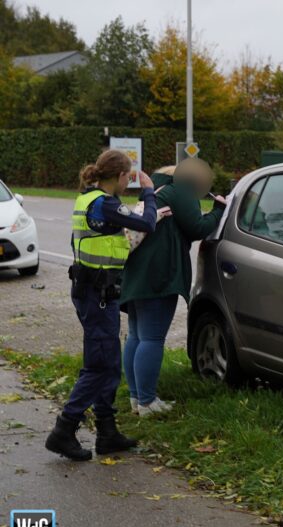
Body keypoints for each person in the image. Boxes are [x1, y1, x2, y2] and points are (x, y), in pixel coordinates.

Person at [45, 149, 162, 461]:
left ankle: (107, 432)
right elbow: (147, 224)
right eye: (128, 177)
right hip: (95, 294)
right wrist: (149, 193)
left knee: (108, 364)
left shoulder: (87, 198)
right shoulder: (104, 204)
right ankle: (63, 429)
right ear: (121, 176)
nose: (129, 182)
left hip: (95, 291)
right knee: (99, 366)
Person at [120, 158, 227, 416]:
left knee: (136, 335)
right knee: (152, 338)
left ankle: (136, 398)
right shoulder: (178, 191)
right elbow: (197, 227)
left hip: (136, 272)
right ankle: (147, 402)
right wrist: (218, 209)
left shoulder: (153, 192)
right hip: (160, 275)